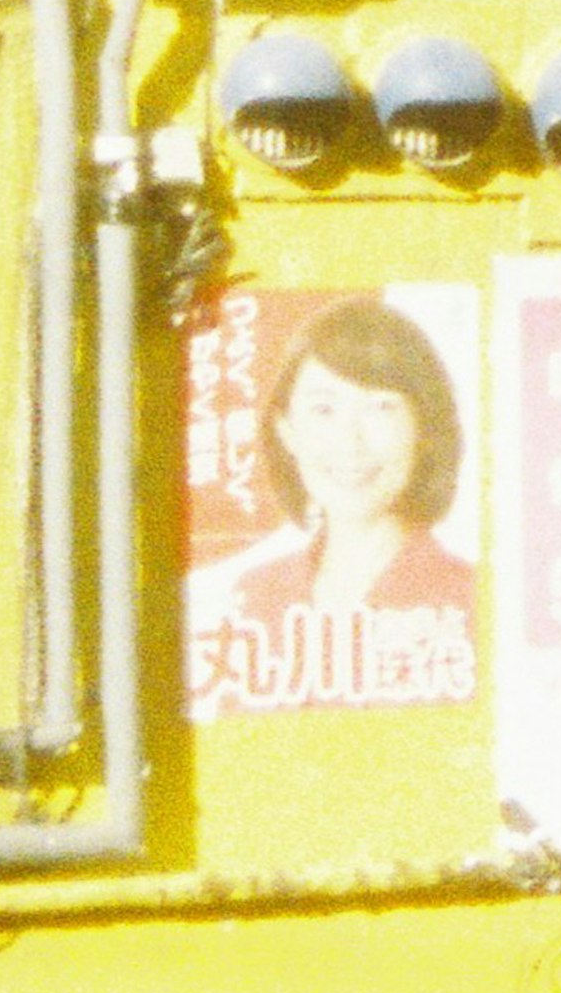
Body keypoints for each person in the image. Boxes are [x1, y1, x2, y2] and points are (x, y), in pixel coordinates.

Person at [189, 296, 476, 714]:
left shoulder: (473, 597)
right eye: (324, 409)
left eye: (381, 407)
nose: (350, 442)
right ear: (287, 431)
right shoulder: (256, 596)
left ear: (424, 429)